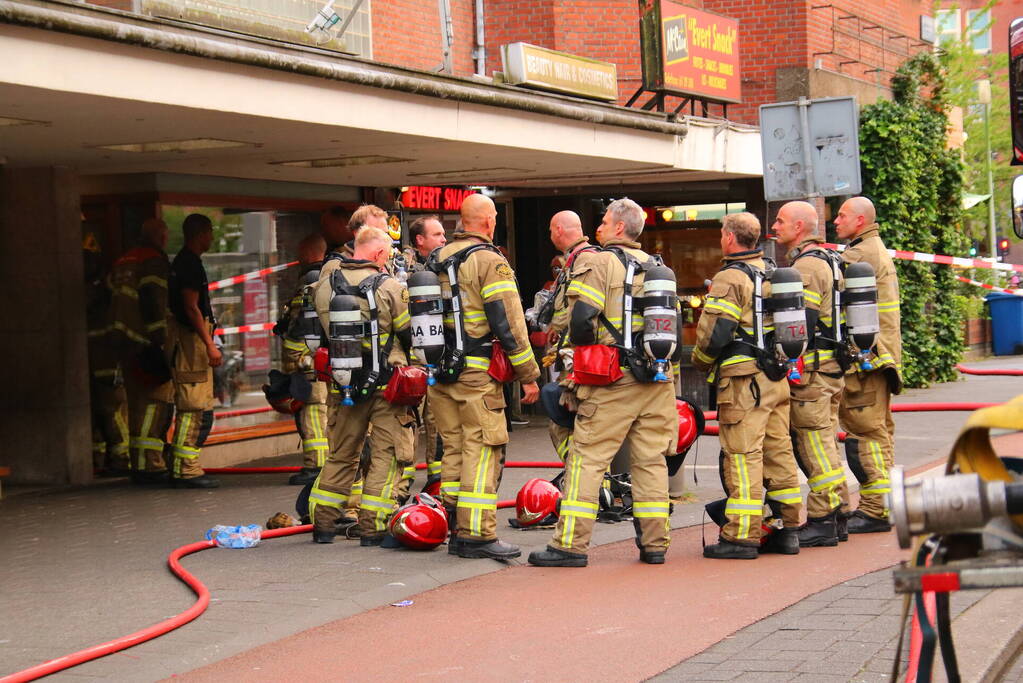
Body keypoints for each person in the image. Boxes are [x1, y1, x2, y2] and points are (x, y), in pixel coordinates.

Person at [528, 198, 676, 568]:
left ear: (619, 228)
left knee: (587, 459)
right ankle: (655, 545)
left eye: (605, 222)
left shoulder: (598, 261)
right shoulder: (658, 267)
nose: (599, 228)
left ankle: (569, 546)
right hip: (658, 379)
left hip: (613, 379)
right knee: (651, 461)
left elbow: (581, 319)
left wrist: (584, 354)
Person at [429, 194, 540, 560]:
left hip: (441, 374)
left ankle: (456, 526)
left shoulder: (437, 259)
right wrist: (528, 374)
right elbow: (509, 323)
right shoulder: (489, 261)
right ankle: (477, 534)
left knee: (455, 450)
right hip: (477, 375)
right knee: (482, 449)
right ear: (489, 221)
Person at [691, 212, 803, 560]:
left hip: (743, 384)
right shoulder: (771, 271)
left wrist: (700, 360)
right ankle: (787, 530)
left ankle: (741, 535)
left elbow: (716, 333)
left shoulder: (730, 278)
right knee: (779, 453)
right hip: (776, 378)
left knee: (743, 456)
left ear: (729, 237)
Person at [306, 227, 416, 544]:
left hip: (343, 384)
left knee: (341, 454)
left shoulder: (322, 286)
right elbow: (411, 334)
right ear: (379, 254)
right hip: (388, 388)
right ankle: (372, 528)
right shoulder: (391, 287)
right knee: (386, 455)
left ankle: (323, 524)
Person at [772, 201, 851, 546]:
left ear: (800, 227)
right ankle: (840, 512)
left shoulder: (806, 266)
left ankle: (822, 518)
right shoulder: (833, 260)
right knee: (827, 441)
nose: (774, 227)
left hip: (814, 373)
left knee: (814, 443)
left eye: (780, 221)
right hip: (834, 368)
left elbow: (801, 323)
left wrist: (779, 358)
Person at [835, 196, 901, 533]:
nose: (835, 220)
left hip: (866, 360)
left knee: (865, 433)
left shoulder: (859, 255)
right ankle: (882, 503)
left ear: (860, 220)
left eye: (842, 216)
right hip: (880, 358)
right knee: (879, 432)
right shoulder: (873, 247)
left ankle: (876, 509)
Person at [108, 217, 175, 485]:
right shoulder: (153, 261)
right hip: (147, 343)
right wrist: (160, 339)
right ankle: (151, 463)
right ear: (160, 237)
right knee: (155, 404)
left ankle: (137, 462)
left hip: (123, 342)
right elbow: (155, 301)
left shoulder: (123, 261)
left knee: (135, 405)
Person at [166, 213, 222, 489]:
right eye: (210, 232)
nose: (211, 238)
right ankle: (186, 469)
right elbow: (191, 307)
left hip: (190, 341)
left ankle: (184, 467)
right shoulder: (188, 264)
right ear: (200, 234)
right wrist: (209, 344)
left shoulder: (185, 262)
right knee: (194, 407)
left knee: (197, 406)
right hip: (191, 343)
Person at [395, 215, 447, 497]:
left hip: (436, 359)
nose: (443, 239)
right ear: (420, 240)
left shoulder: (442, 266)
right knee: (409, 424)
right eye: (437, 234)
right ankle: (401, 487)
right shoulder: (404, 270)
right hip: (412, 362)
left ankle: (436, 483)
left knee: (438, 422)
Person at [278, 233, 329, 486]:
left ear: (309, 253)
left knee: (313, 412)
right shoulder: (324, 275)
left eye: (300, 253)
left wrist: (297, 355)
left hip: (306, 360)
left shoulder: (311, 278)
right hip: (314, 358)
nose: (297, 258)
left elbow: (301, 322)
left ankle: (316, 465)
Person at [84, 231, 129, 477]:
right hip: (95, 359)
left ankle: (121, 457)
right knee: (100, 412)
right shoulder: (97, 288)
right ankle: (103, 457)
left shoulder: (105, 288)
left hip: (104, 358)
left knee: (110, 410)